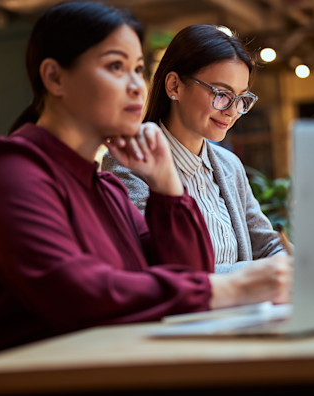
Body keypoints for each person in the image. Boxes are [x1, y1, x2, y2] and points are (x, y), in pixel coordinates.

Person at [0, 3, 291, 396]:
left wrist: (167, 186)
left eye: (139, 70)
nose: (136, 86)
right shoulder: (7, 169)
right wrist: (234, 287)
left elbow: (184, 278)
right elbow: (73, 295)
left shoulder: (104, 189)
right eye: (115, 67)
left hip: (63, 378)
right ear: (55, 77)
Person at [102, 24, 286, 274]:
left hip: (244, 310)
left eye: (242, 98)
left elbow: (267, 246)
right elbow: (156, 265)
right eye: (221, 94)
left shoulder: (229, 165)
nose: (232, 111)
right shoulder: (130, 162)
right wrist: (254, 274)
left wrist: (293, 262)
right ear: (174, 86)